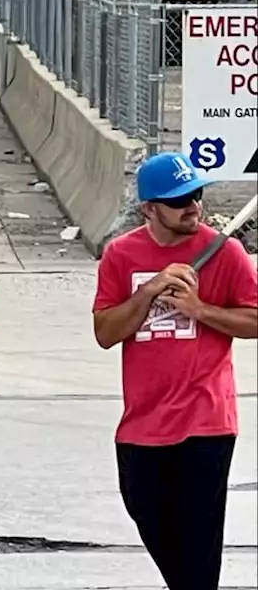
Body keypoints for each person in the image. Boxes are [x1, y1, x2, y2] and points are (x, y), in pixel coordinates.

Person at [91, 151, 258, 590]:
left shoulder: (225, 253)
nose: (193, 207)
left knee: (200, 542)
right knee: (145, 510)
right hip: (143, 422)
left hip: (207, 419)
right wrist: (148, 292)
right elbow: (106, 333)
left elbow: (255, 320)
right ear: (149, 208)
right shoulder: (121, 255)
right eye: (180, 199)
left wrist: (199, 309)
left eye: (197, 195)